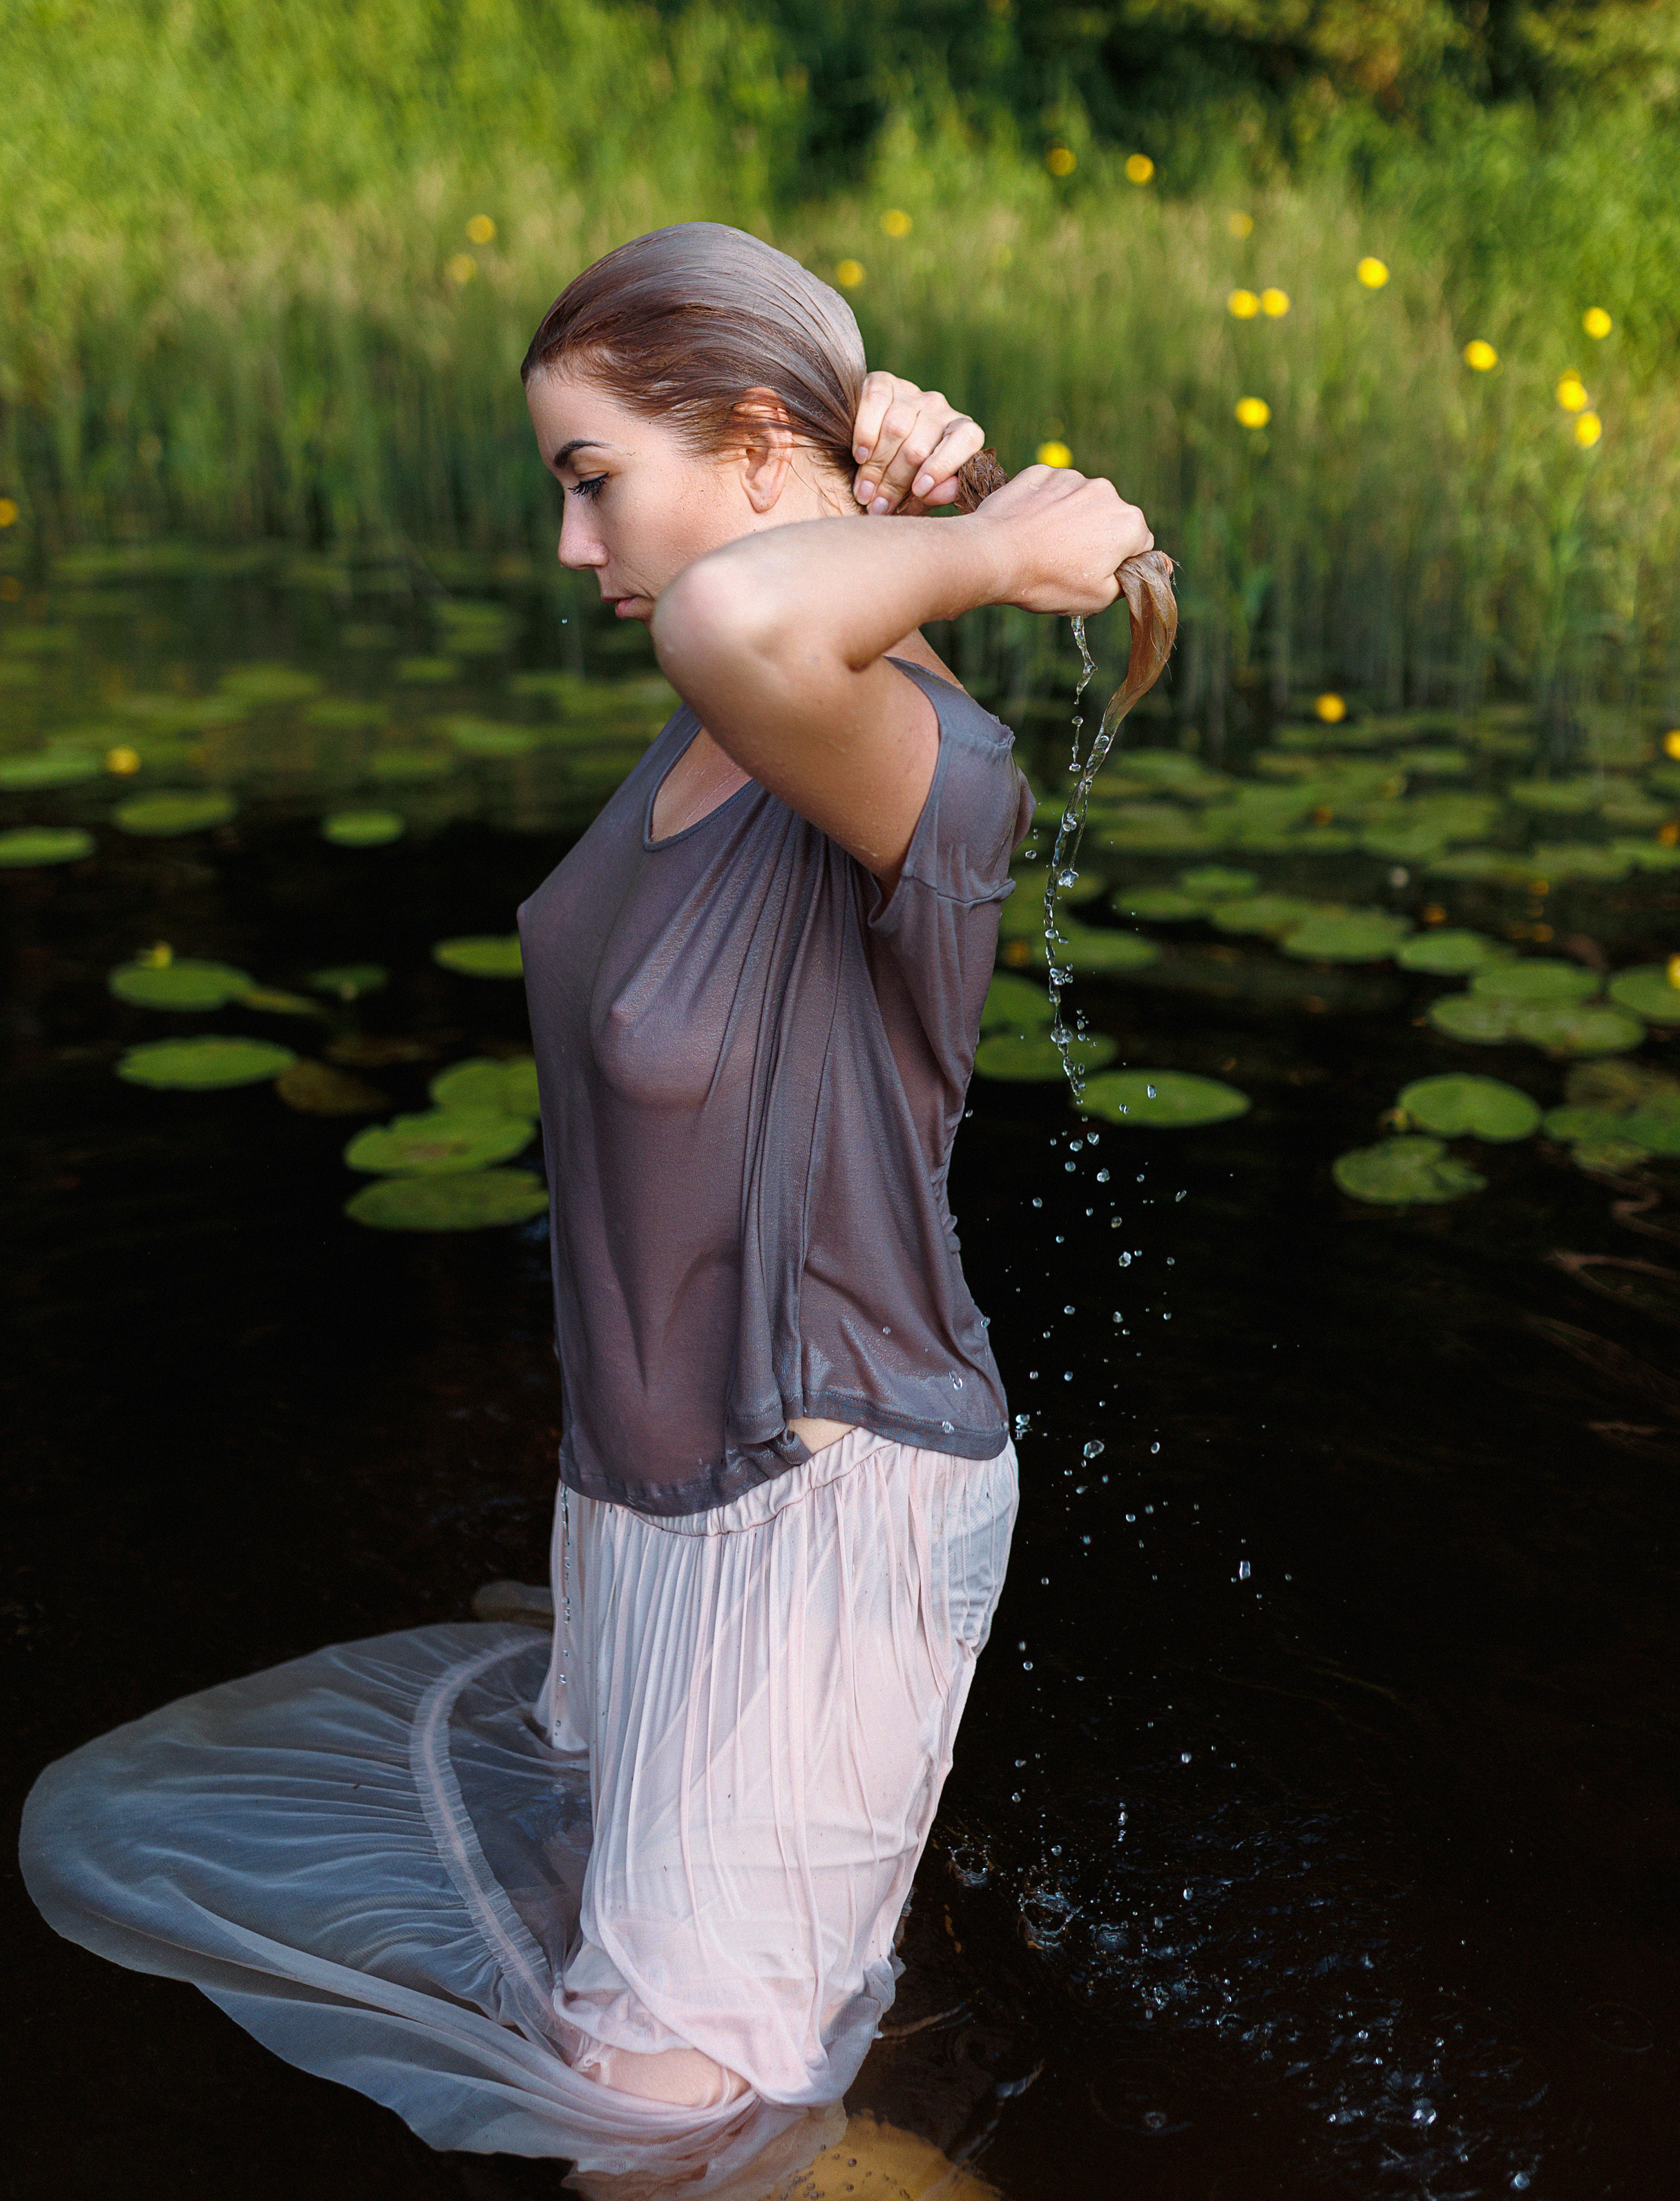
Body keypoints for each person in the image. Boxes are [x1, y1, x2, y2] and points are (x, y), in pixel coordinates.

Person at [21, 222, 1168, 2194]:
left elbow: (741, 623)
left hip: (819, 1508)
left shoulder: (912, 753)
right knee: (662, 2044)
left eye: (587, 481)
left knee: (674, 2135)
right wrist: (883, 504)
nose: (573, 547)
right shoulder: (769, 720)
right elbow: (771, 631)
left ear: (739, 438)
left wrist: (991, 541)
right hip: (653, 1494)